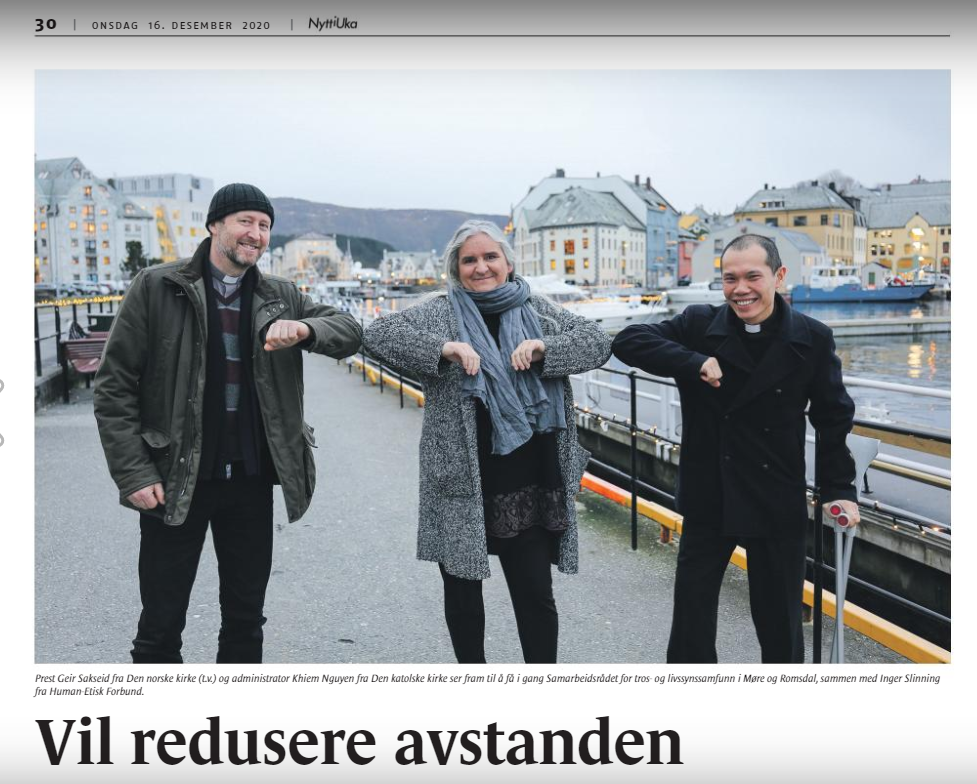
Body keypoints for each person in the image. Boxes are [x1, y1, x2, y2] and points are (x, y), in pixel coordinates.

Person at [94, 183, 362, 663]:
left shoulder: (281, 295)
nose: (255, 234)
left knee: (245, 622)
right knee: (160, 625)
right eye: (245, 221)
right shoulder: (157, 287)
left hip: (250, 482)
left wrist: (306, 328)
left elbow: (349, 331)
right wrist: (134, 473)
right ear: (214, 225)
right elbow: (114, 388)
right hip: (175, 480)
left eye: (264, 226)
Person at [362, 220, 611, 663]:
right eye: (470, 260)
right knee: (463, 599)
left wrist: (543, 349)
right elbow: (377, 335)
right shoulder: (442, 312)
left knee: (535, 596)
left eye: (490, 257)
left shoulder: (536, 308)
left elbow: (596, 342)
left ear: (508, 263)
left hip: (530, 481)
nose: (481, 267)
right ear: (456, 269)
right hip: (462, 479)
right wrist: (444, 349)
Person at [612, 234, 858, 663]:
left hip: (775, 495)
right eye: (730, 278)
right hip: (712, 490)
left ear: (779, 277)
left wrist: (839, 489)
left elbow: (833, 418)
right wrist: (692, 362)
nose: (740, 289)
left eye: (752, 277)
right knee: (692, 614)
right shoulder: (697, 325)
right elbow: (628, 341)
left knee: (779, 620)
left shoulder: (813, 338)